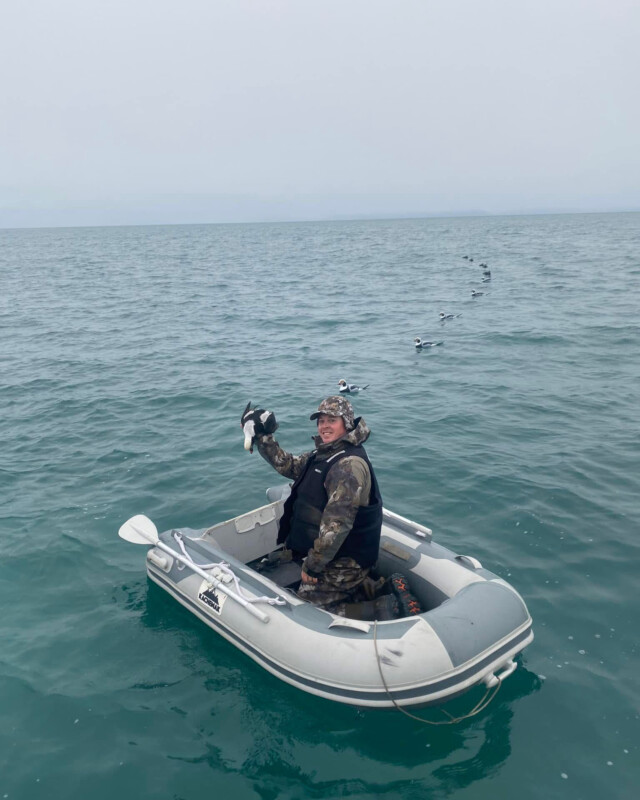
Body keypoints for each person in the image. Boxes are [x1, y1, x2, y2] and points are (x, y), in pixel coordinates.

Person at [241, 396, 385, 615]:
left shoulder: (348, 467)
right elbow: (289, 465)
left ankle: (375, 607)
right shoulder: (324, 454)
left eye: (331, 420)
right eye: (321, 421)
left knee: (304, 609)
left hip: (347, 561)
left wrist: (313, 566)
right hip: (333, 552)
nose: (324, 426)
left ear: (347, 423)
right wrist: (263, 437)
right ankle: (362, 588)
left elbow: (337, 526)